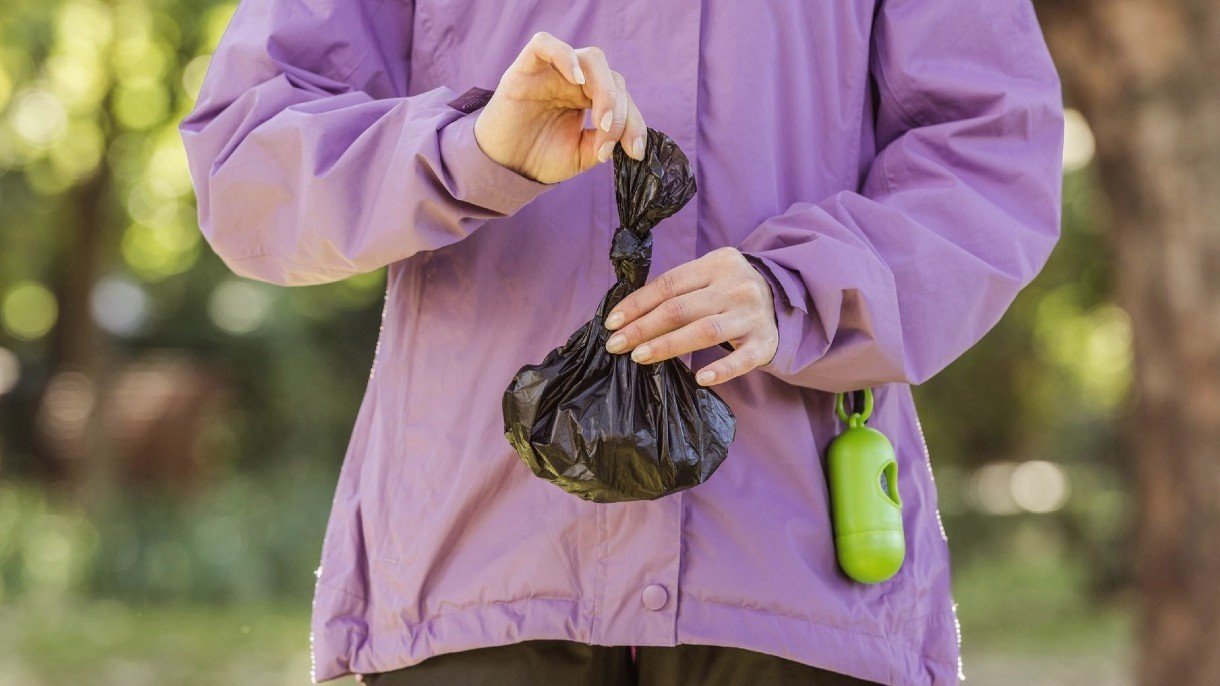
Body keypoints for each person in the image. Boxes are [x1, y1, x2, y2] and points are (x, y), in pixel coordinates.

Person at [181, 1, 1063, 684]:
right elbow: (247, 156)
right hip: (477, 568)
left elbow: (990, 152)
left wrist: (800, 286)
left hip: (796, 574)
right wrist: (470, 149)